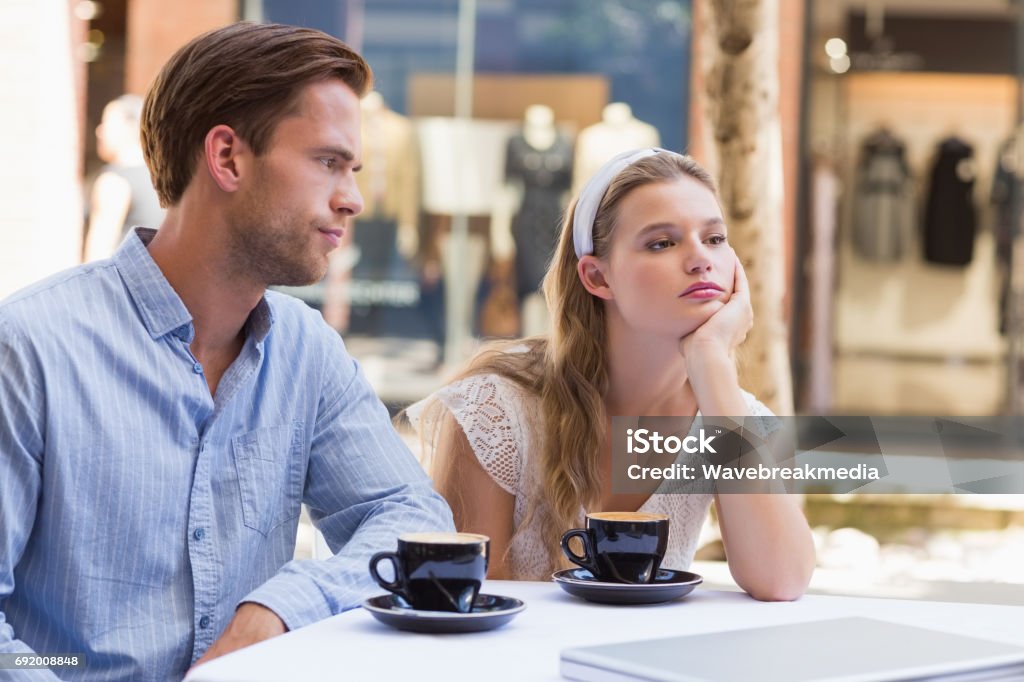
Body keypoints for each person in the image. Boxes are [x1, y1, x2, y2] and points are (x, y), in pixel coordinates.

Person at [0, 22, 453, 681]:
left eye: (352, 169)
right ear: (228, 158)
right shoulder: (30, 347)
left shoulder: (306, 353)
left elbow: (412, 522)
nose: (353, 199)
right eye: (328, 162)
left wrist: (279, 607)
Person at [409, 149, 815, 599]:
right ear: (598, 277)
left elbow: (782, 580)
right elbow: (465, 603)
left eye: (715, 238)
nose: (701, 260)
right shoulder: (495, 409)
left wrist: (712, 362)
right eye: (662, 243)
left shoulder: (730, 412)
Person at [83, 94, 165, 262]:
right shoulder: (162, 178)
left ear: (129, 128)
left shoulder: (114, 182)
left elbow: (99, 251)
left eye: (106, 123)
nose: (99, 131)